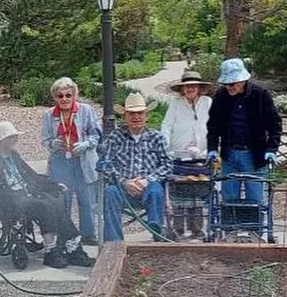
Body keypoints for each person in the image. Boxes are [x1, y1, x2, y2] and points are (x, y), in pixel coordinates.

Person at [0, 122, 94, 268]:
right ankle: (51, 251)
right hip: (8, 199)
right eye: (12, 138)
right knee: (44, 206)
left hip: (26, 195)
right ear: (1, 141)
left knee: (54, 201)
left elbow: (32, 176)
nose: (15, 141)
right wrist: (22, 195)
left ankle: (73, 247)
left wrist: (53, 185)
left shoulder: (14, 155)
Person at [206, 56, 282, 210]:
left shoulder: (260, 95)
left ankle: (255, 232)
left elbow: (275, 125)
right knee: (229, 201)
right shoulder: (221, 96)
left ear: (242, 80)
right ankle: (230, 232)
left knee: (255, 201)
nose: (229, 87)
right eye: (226, 84)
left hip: (253, 156)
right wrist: (212, 148)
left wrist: (271, 149)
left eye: (232, 83)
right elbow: (213, 125)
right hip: (229, 155)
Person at [99, 92, 171, 242]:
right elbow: (105, 164)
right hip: (122, 190)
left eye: (140, 113)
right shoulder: (115, 137)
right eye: (131, 113)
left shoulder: (157, 138)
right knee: (109, 192)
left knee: (156, 189)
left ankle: (157, 230)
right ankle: (114, 243)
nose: (136, 117)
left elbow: (167, 165)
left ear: (147, 116)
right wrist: (125, 182)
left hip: (148, 189)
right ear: (125, 117)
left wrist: (147, 180)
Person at [41, 77, 101, 245]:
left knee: (86, 199)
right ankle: (65, 234)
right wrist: (53, 144)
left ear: (74, 95)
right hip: (60, 160)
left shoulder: (86, 110)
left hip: (82, 159)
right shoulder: (48, 115)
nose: (65, 99)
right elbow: (44, 140)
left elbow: (96, 135)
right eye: (60, 96)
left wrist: (86, 144)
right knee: (63, 198)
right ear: (55, 97)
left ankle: (88, 235)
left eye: (68, 95)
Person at [160, 69, 212, 239]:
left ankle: (197, 229)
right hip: (178, 153)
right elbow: (166, 126)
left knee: (197, 191)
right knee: (178, 190)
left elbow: (214, 126)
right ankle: (177, 229)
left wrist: (209, 149)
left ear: (199, 87)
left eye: (193, 86)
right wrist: (165, 146)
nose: (190, 89)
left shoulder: (207, 102)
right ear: (182, 88)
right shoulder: (175, 104)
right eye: (187, 86)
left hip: (201, 154)